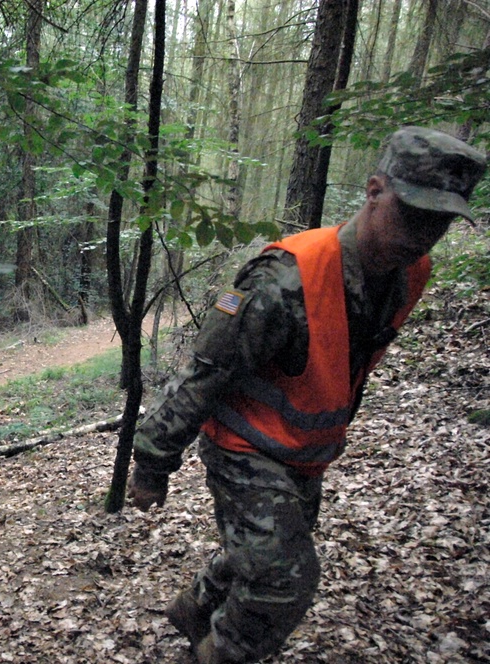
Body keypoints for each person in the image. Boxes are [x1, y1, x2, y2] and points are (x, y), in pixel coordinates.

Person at [127, 127, 486, 663]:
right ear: (374, 190)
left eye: (440, 221)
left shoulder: (411, 273)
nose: (423, 233)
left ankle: (195, 608)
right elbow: (205, 371)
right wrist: (152, 462)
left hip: (304, 450)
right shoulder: (285, 277)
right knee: (282, 580)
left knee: (269, 550)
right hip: (242, 443)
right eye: (412, 212)